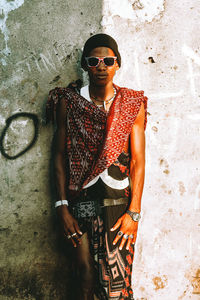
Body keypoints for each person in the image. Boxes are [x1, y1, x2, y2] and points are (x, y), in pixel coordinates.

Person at [46, 33, 148, 300]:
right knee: (84, 278)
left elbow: (138, 160)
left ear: (117, 64)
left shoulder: (131, 105)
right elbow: (58, 155)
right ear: (85, 65)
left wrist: (134, 213)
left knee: (116, 284)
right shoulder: (70, 103)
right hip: (82, 205)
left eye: (108, 60)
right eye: (94, 61)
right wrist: (62, 207)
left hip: (118, 207)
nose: (101, 66)